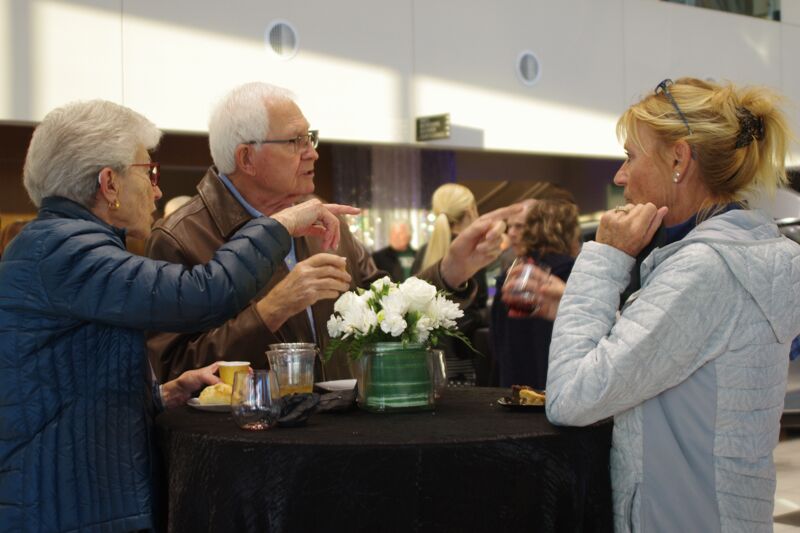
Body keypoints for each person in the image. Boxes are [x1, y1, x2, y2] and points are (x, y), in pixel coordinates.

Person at [0, 99, 354, 532]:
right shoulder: (65, 251)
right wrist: (283, 224)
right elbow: (203, 293)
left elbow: (70, 379)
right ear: (109, 184)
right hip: (65, 508)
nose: (157, 190)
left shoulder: (55, 246)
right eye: (148, 173)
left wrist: (160, 395)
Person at [533, 78, 800, 531]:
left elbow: (570, 398)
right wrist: (601, 313)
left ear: (679, 159)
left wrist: (605, 258)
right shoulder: (749, 253)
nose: (620, 177)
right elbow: (689, 362)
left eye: (630, 156)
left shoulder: (704, 270)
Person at [146, 82, 517, 382]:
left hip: (338, 440)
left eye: (311, 138)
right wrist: (270, 311)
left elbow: (384, 311)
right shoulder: (182, 237)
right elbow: (172, 370)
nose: (313, 153)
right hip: (249, 453)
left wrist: (450, 270)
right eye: (296, 142)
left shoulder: (323, 220)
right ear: (247, 158)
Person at [492, 199, 580, 389]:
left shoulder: (513, 275)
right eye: (510, 226)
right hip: (560, 384)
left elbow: (498, 342)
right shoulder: (577, 273)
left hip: (515, 386)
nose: (511, 233)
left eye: (520, 226)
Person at [412, 183, 488, 385]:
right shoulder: (473, 256)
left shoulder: (422, 253)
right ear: (471, 211)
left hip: (424, 361)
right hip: (463, 362)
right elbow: (473, 312)